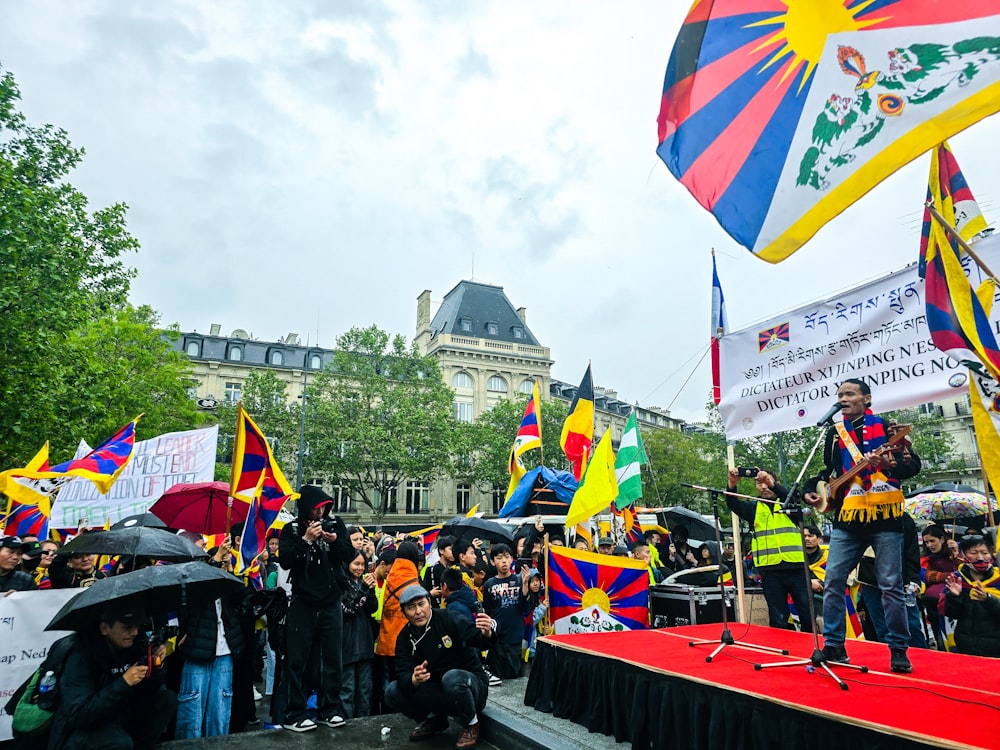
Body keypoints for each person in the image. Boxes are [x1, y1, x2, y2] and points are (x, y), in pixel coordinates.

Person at [804, 378, 921, 673]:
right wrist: (811, 487)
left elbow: (912, 465)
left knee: (890, 584)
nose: (843, 398)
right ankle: (834, 644)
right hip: (847, 518)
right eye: (840, 394)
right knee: (833, 580)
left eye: (850, 394)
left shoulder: (887, 427)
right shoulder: (834, 432)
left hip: (886, 517)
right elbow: (829, 471)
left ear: (866, 399)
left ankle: (898, 648)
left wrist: (888, 466)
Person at [277, 484, 356, 732]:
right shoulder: (290, 529)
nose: (321, 513)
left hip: (331, 601)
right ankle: (295, 713)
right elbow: (286, 561)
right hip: (303, 602)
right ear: (306, 509)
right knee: (299, 659)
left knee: (333, 657)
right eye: (317, 508)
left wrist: (333, 542)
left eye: (324, 508)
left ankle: (329, 709)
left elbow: (349, 553)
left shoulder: (336, 525)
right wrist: (306, 540)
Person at [48, 601, 176, 750]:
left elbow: (146, 691)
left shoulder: (133, 646)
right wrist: (124, 682)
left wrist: (156, 667)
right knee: (119, 742)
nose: (134, 632)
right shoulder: (80, 657)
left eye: (136, 625)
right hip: (78, 732)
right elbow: (79, 715)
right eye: (127, 627)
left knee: (166, 700)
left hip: (116, 717)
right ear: (104, 628)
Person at [385, 585, 495, 749]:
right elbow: (402, 672)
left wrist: (487, 633)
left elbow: (478, 639)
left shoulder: (449, 618)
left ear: (429, 602)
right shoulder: (404, 638)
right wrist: (413, 679)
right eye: (411, 607)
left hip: (470, 686)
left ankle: (471, 724)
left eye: (421, 604)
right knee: (392, 691)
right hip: (437, 689)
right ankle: (434, 719)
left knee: (452, 678)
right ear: (404, 613)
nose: (418, 612)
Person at [725, 467, 812, 631]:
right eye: (759, 483)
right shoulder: (753, 508)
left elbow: (796, 497)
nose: (763, 487)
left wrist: (773, 485)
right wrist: (732, 484)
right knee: (778, 618)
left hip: (797, 568)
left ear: (774, 483)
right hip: (769, 570)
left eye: (766, 482)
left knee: (807, 614)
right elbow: (732, 503)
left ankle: (813, 648)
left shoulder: (788, 502)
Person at [174, 565, 245, 739]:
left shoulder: (226, 579)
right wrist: (214, 563)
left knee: (220, 711)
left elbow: (241, 598)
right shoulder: (192, 576)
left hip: (225, 651)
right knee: (191, 710)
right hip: (198, 651)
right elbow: (187, 604)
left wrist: (231, 574)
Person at [943, 535, 1000, 657]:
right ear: (963, 555)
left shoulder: (998, 580)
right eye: (973, 553)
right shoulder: (956, 580)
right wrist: (954, 597)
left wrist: (988, 599)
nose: (980, 557)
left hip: (995, 646)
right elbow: (950, 614)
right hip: (965, 645)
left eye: (984, 553)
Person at [376, 541, 423, 687]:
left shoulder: (390, 577)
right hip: (406, 639)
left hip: (387, 638)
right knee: (404, 680)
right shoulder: (412, 578)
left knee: (387, 680)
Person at [482, 543, 525, 680]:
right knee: (498, 677)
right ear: (492, 562)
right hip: (498, 638)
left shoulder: (519, 580)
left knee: (513, 677)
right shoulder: (489, 584)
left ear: (512, 559)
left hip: (515, 637)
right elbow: (487, 611)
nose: (504, 561)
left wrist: (525, 588)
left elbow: (526, 608)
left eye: (506, 557)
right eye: (499, 558)